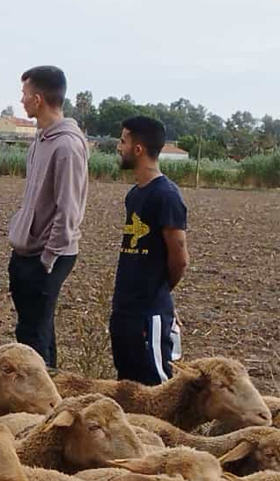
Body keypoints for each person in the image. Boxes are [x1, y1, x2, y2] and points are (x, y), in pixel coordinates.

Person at [6, 65, 89, 369]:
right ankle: (50, 392)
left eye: (25, 94)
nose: (22, 99)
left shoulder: (67, 145)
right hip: (27, 251)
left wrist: (47, 260)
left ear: (38, 99)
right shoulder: (41, 140)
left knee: (34, 336)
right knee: (33, 331)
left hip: (46, 256)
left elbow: (68, 209)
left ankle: (38, 403)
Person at [111, 116, 189, 384]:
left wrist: (159, 293)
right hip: (124, 312)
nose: (119, 147)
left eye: (123, 141)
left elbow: (179, 259)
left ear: (138, 149)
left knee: (156, 387)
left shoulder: (166, 195)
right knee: (127, 386)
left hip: (149, 315)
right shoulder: (134, 195)